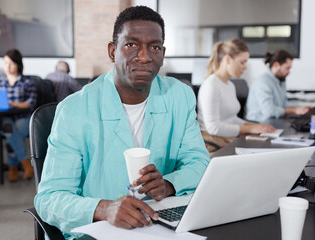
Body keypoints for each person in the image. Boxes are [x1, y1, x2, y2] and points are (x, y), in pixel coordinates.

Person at [34, 6, 209, 239]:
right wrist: (104, 208)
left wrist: (168, 184)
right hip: (98, 232)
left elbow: (199, 163)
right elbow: (50, 198)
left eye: (154, 47)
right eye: (131, 45)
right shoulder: (74, 109)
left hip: (160, 227)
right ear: (112, 51)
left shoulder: (179, 96)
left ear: (163, 54)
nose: (145, 56)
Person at [197, 38, 276, 153]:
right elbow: (213, 127)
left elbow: (231, 118)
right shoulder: (211, 85)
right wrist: (249, 128)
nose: (245, 67)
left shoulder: (230, 85)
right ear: (228, 59)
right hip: (212, 144)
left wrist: (255, 125)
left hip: (226, 139)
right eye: (242, 62)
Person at [0, 49, 37, 182]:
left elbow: (30, 103)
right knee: (9, 128)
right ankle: (25, 163)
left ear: (18, 64)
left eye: (11, 63)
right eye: (5, 63)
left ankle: (13, 168)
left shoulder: (27, 82)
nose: (8, 66)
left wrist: (12, 103)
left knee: (11, 132)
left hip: (22, 117)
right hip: (1, 118)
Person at [246, 50, 311, 122]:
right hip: (258, 123)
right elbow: (269, 111)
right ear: (276, 65)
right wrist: (295, 110)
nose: (289, 72)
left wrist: (300, 109)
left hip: (273, 121)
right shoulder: (263, 82)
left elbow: (284, 107)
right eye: (287, 68)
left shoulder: (280, 81)